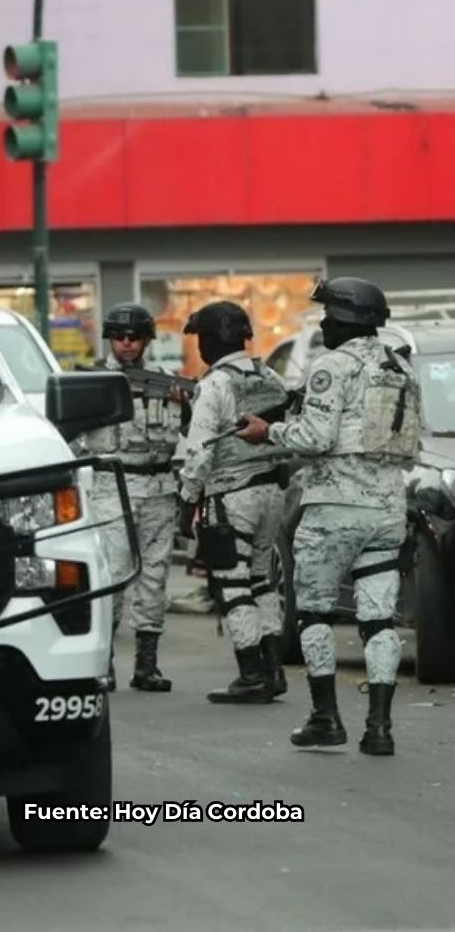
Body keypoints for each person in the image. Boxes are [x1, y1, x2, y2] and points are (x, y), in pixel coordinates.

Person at [237, 278, 421, 755]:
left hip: (334, 508)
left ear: (345, 318)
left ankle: (325, 718)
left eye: (328, 315)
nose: (322, 323)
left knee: (315, 612)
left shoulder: (331, 366)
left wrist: (268, 431)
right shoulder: (402, 366)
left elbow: (315, 438)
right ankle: (380, 729)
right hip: (387, 507)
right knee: (379, 621)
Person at [178, 302, 292, 704]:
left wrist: (186, 503)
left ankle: (250, 674)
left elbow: (199, 453)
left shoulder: (214, 385)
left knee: (232, 581)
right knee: (262, 580)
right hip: (272, 493)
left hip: (231, 495)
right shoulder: (271, 377)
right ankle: (273, 670)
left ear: (210, 339)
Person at [71, 303, 183, 693]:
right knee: (114, 576)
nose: (127, 344)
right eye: (119, 337)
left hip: (160, 487)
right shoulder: (92, 382)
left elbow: (194, 429)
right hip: (112, 485)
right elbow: (68, 436)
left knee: (155, 576)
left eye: (135, 336)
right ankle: (103, 661)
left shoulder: (166, 382)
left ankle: (147, 664)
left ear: (148, 339)